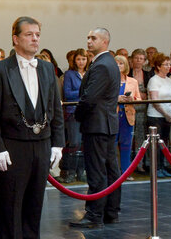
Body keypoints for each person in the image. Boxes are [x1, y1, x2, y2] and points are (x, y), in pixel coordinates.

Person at [0, 16, 64, 239]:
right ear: (15, 39)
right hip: (12, 147)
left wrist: (58, 143)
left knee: (35, 205)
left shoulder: (47, 68)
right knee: (11, 206)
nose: (35, 39)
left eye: (37, 34)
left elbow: (54, 108)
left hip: (42, 145)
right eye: (29, 34)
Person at [70, 28, 120, 229]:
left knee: (98, 171)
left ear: (105, 41)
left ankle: (94, 215)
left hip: (97, 124)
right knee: (110, 170)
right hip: (105, 124)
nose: (89, 41)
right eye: (88, 37)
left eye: (93, 38)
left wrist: (78, 115)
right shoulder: (106, 62)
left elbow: (89, 98)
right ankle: (110, 212)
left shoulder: (101, 64)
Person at [60, 48, 89, 183]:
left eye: (83, 59)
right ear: (74, 60)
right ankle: (71, 172)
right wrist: (84, 92)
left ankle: (81, 171)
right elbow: (68, 93)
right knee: (74, 142)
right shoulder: (70, 74)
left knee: (84, 143)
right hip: (73, 112)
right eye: (79, 59)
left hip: (88, 112)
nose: (81, 62)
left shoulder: (89, 73)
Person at [146, 52, 171, 178]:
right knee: (156, 145)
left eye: (169, 64)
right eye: (165, 64)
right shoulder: (154, 80)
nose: (168, 66)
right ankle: (156, 168)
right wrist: (166, 114)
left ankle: (163, 166)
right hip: (156, 116)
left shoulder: (169, 80)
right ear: (158, 66)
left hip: (167, 116)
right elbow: (155, 101)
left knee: (165, 143)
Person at [116, 54, 141, 175]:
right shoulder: (109, 80)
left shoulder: (133, 81)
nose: (118, 66)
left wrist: (132, 99)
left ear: (126, 65)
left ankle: (126, 171)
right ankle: (113, 172)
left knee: (126, 145)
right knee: (112, 144)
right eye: (116, 63)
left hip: (128, 116)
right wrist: (117, 98)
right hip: (113, 115)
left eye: (121, 63)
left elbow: (139, 99)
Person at [129, 48, 150, 172]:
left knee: (141, 137)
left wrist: (143, 95)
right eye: (136, 58)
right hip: (130, 108)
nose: (138, 61)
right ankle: (128, 165)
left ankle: (140, 163)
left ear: (145, 61)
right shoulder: (127, 73)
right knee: (129, 137)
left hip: (143, 109)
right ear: (132, 59)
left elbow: (150, 92)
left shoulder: (147, 74)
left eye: (141, 58)